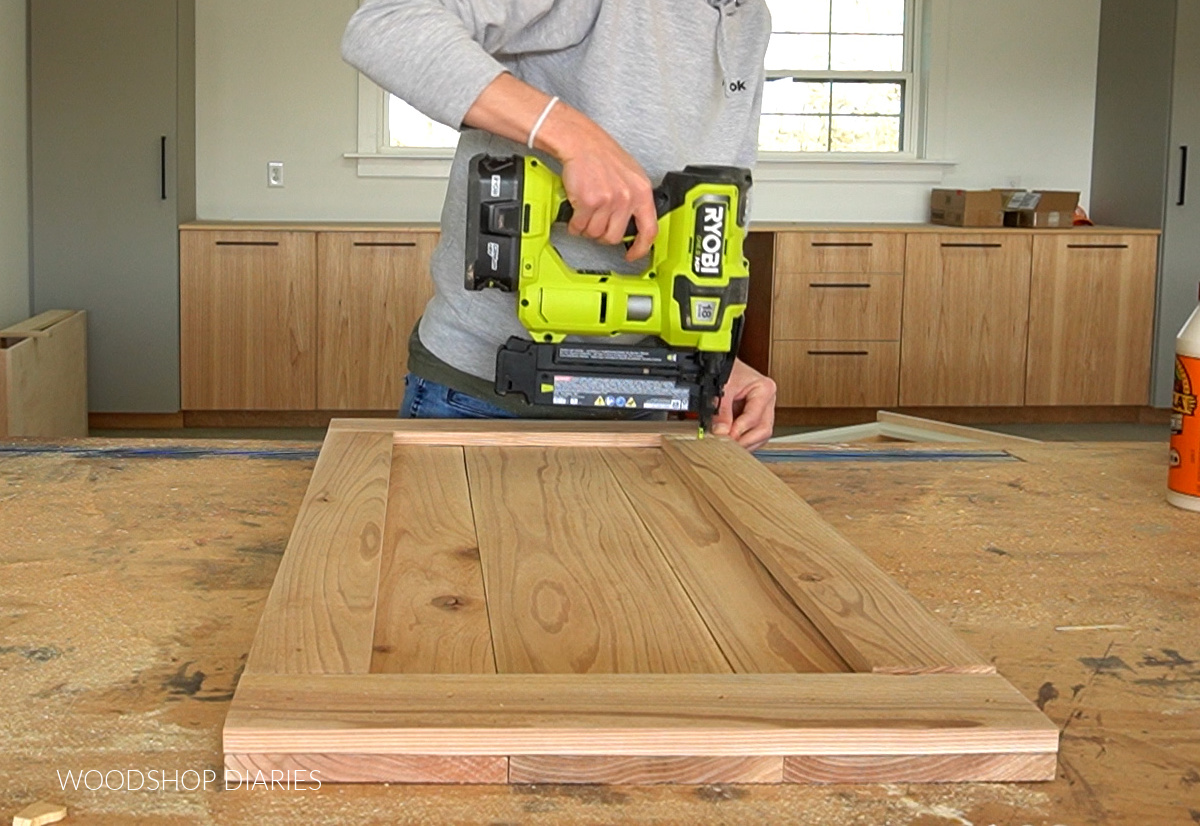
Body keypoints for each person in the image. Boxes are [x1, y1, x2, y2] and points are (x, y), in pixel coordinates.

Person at [342, 0, 777, 450]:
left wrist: (715, 350)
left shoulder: (750, 19)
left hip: (645, 395)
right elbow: (388, 25)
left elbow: (719, 214)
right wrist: (573, 136)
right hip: (481, 397)